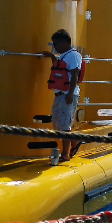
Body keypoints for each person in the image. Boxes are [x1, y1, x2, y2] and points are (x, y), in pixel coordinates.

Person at [41, 29, 82, 162]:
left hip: (68, 94)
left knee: (64, 125)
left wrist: (70, 93)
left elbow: (75, 74)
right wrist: (52, 57)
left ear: (64, 42)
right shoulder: (64, 55)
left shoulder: (73, 55)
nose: (55, 47)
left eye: (56, 44)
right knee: (58, 125)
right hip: (59, 94)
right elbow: (60, 69)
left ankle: (65, 154)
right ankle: (75, 141)